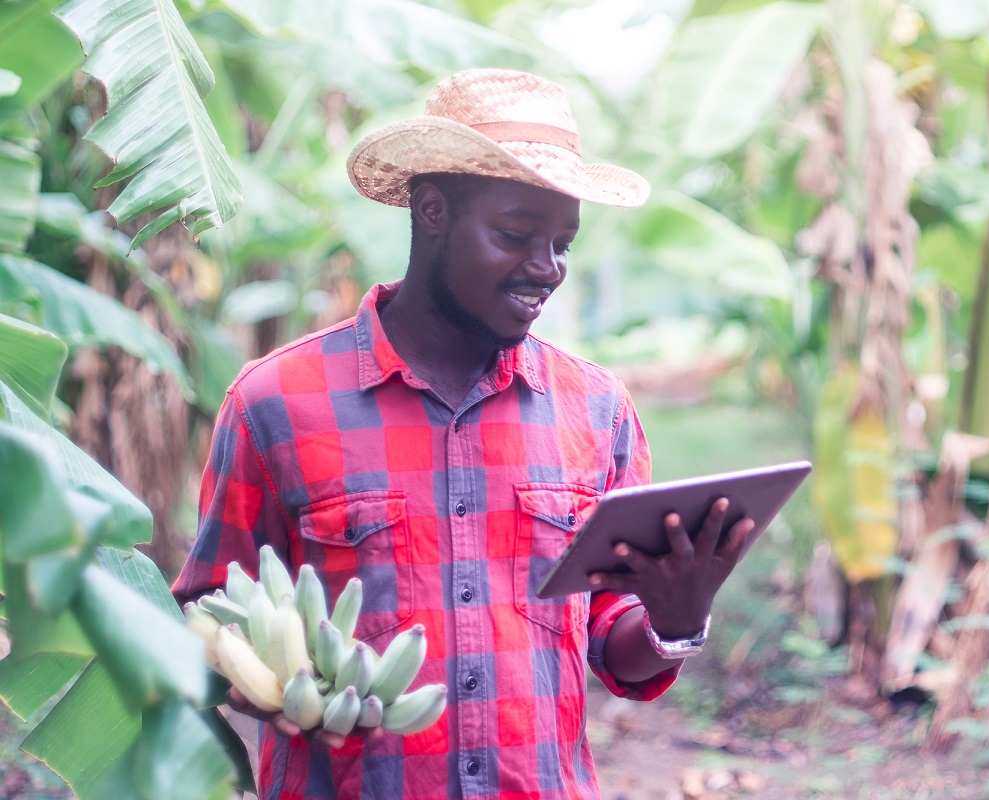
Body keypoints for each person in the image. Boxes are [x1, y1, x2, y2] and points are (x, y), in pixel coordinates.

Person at [172, 68, 756, 800]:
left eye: (563, 244)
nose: (546, 269)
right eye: (515, 235)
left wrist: (678, 617)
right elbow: (208, 612)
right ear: (432, 210)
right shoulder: (274, 403)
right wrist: (274, 690)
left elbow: (616, 647)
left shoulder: (597, 409)